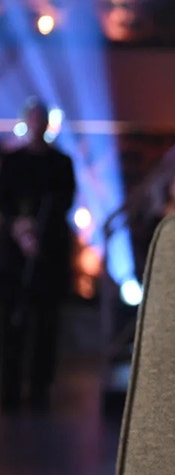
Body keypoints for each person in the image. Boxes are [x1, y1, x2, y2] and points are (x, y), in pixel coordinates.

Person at [0, 97, 77, 412]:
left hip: (49, 256)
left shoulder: (62, 163)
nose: (36, 124)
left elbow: (64, 202)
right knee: (11, 326)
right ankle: (10, 388)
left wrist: (37, 234)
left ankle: (40, 388)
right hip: (14, 260)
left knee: (46, 326)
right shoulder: (13, 162)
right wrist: (19, 229)